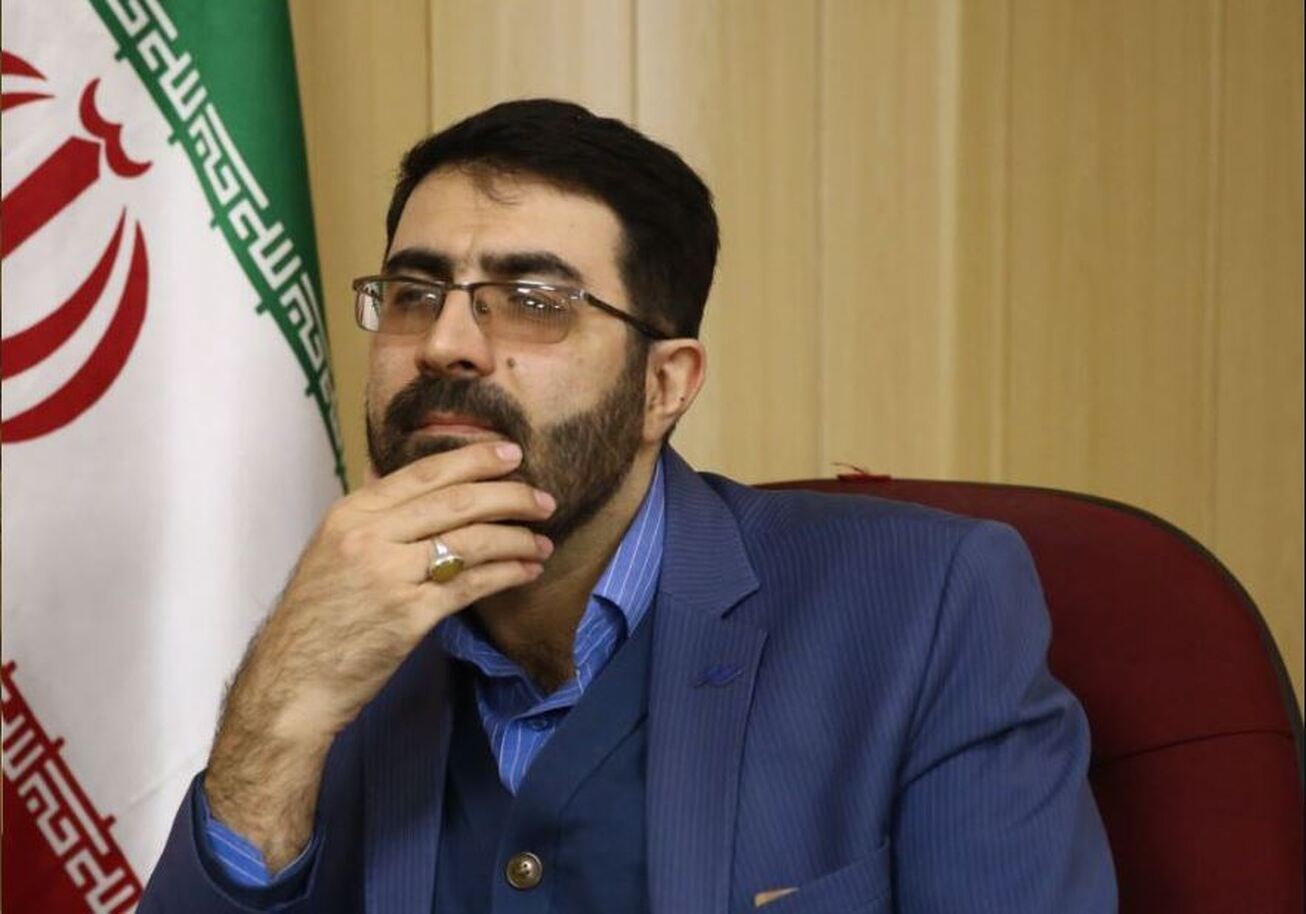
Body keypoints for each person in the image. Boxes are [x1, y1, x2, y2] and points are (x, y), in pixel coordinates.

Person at [140, 99, 1116, 913]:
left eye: (533, 300)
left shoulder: (923, 609)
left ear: (663, 386)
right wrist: (277, 714)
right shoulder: (341, 634)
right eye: (412, 291)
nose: (444, 343)